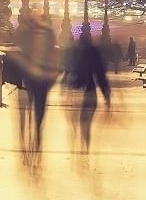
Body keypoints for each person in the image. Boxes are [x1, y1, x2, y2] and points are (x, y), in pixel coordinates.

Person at [14, 14, 58, 171]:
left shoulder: (25, 35)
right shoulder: (50, 35)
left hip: (28, 80)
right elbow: (54, 59)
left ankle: (26, 147)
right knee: (39, 115)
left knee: (25, 115)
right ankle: (36, 146)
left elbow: (20, 56)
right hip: (43, 81)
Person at [65, 31, 111, 154]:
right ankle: (85, 146)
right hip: (89, 90)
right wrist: (106, 95)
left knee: (75, 122)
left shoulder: (72, 51)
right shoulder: (93, 52)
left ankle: (75, 141)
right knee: (86, 123)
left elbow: (65, 70)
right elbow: (100, 75)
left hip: (75, 90)